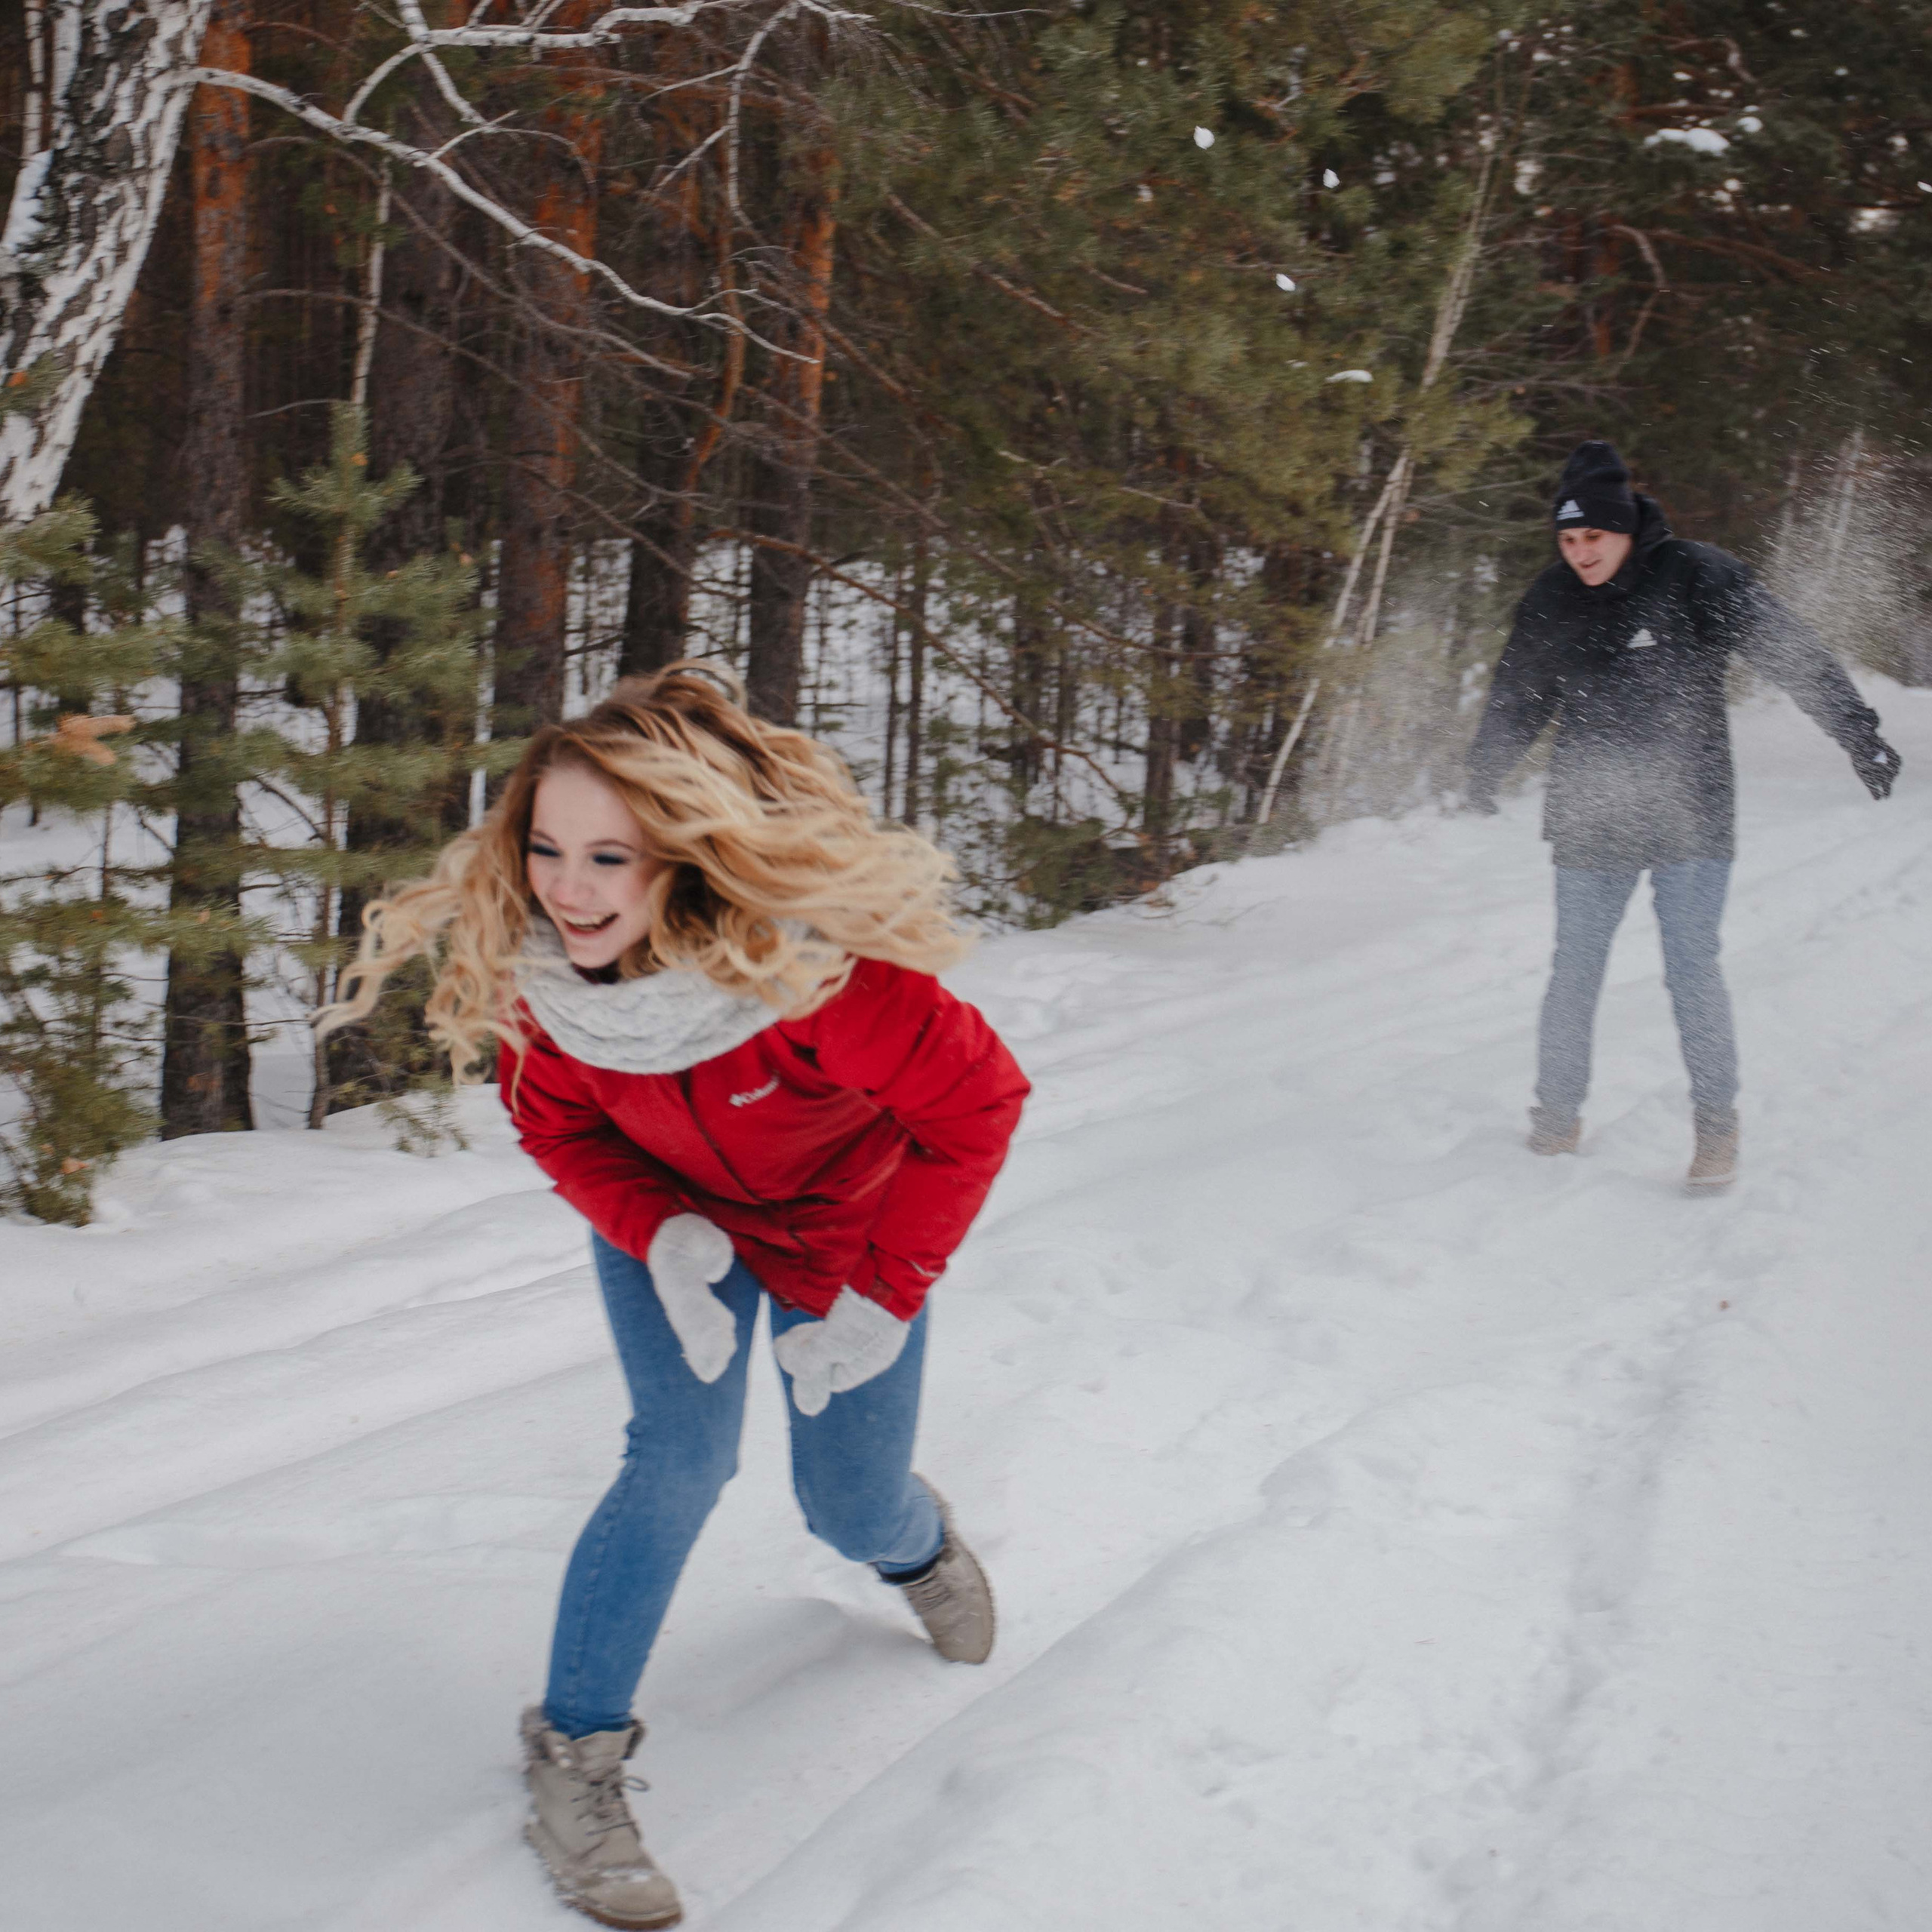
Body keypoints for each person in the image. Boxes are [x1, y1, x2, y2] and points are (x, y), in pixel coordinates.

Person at [318, 665, 1029, 1929]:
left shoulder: (817, 979)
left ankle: (917, 1549)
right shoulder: (539, 983)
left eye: (610, 857)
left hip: (847, 1238)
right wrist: (660, 1232)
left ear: (687, 860)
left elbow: (976, 1105)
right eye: (546, 848)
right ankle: (575, 1760)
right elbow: (559, 1135)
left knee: (845, 1502)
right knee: (679, 1460)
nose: (568, 889)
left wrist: (882, 1296)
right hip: (679, 1238)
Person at [1465, 440, 1900, 1191]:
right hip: (1590, 811)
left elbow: (1789, 651)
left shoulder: (1695, 576)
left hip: (1688, 809)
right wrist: (1483, 767)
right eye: (1567, 540)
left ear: (1625, 526)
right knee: (1574, 972)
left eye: (1592, 536)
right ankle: (1554, 1122)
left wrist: (1856, 732)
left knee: (1690, 970)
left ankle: (1716, 1129)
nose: (1580, 553)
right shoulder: (1550, 598)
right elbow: (1518, 694)